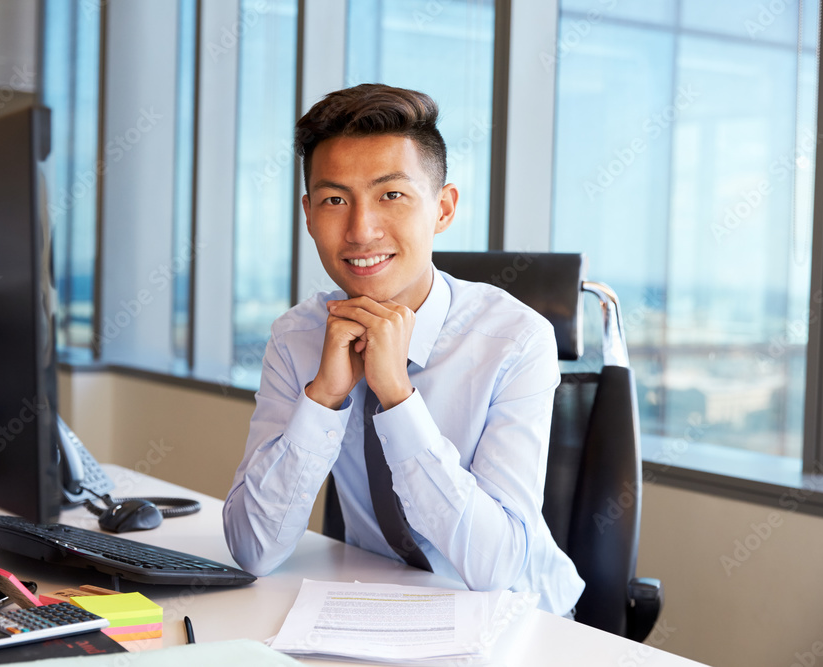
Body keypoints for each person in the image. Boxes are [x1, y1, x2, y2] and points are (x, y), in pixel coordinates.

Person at [222, 83, 584, 615]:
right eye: (334, 200)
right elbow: (252, 550)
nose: (361, 229)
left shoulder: (516, 340)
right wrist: (321, 398)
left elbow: (496, 567)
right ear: (307, 213)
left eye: (391, 195)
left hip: (524, 621)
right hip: (381, 607)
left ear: (442, 208)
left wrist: (397, 397)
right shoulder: (297, 337)